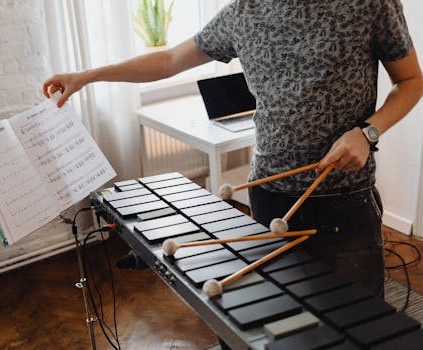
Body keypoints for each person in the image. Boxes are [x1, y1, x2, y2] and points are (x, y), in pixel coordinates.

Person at [44, 0, 422, 315]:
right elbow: (169, 60)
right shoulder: (244, 10)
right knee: (283, 319)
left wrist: (368, 133)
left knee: (358, 324)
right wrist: (87, 76)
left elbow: (412, 81)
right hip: (268, 194)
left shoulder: (370, 3)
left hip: (344, 199)